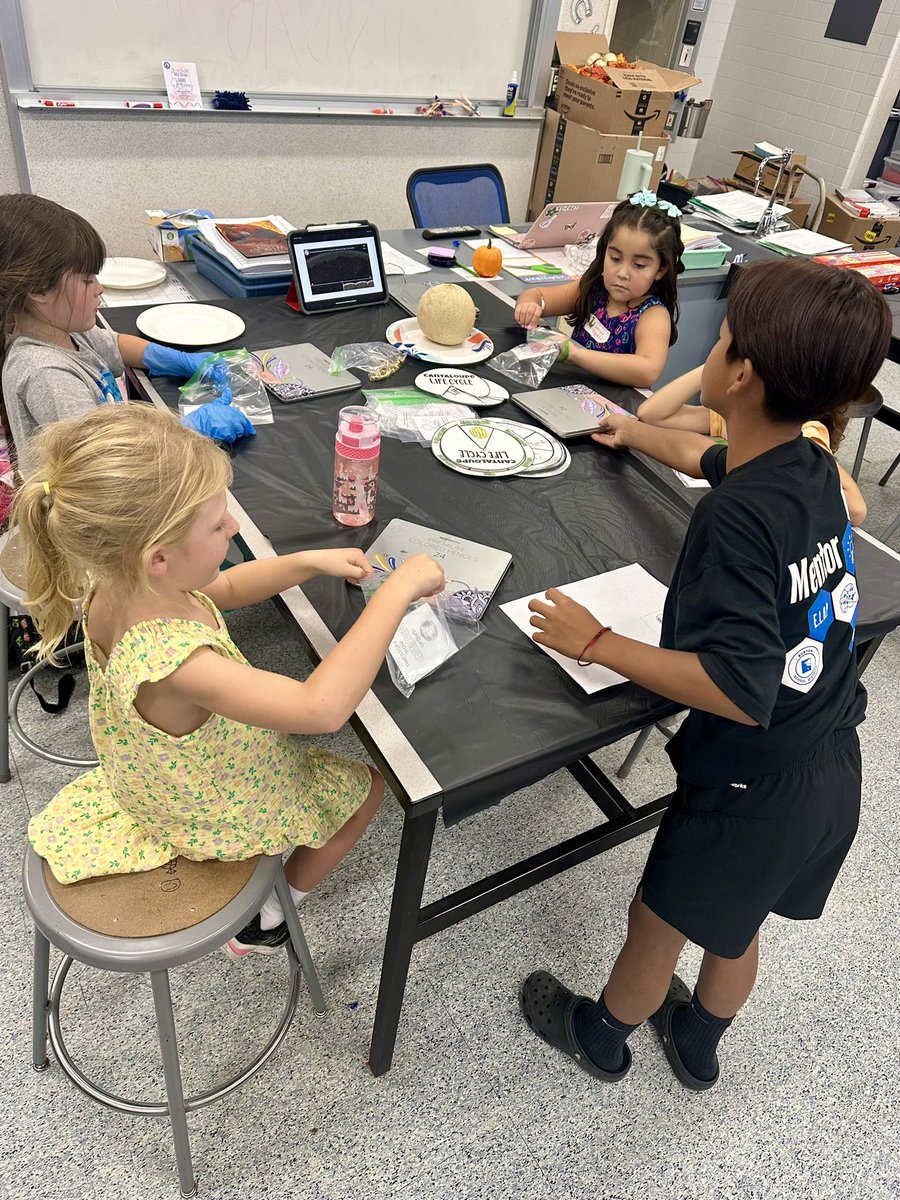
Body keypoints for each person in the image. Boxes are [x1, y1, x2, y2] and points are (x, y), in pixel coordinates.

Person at [519, 258, 891, 1090]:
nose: (711, 345)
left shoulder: (733, 520)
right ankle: (697, 1043)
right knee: (737, 923)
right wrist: (632, 433)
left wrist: (598, 641)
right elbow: (704, 455)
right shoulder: (807, 469)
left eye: (719, 338)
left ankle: (602, 1034)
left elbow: (735, 685)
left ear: (742, 373)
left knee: (655, 925)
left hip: (748, 789)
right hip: (831, 761)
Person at [17, 404, 445, 957]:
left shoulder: (119, 586)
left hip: (152, 783)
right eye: (219, 524)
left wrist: (309, 561)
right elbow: (321, 709)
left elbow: (229, 587)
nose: (235, 526)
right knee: (368, 789)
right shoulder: (175, 659)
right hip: (210, 804)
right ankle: (267, 919)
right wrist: (396, 590)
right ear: (159, 559)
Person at [0, 193, 212, 473]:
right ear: (38, 289)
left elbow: (114, 345)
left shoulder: (63, 329)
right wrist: (188, 430)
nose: (99, 288)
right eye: (87, 280)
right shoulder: (48, 375)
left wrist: (168, 357)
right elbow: (103, 462)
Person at [637, 364, 868, 524]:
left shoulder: (802, 433)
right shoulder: (734, 414)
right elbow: (652, 414)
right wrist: (709, 369)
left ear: (744, 372)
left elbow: (856, 509)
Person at [513, 192, 684, 389]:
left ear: (660, 270)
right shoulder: (594, 289)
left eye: (638, 265)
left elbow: (647, 371)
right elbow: (539, 296)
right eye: (615, 259)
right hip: (569, 392)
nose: (622, 273)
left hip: (614, 409)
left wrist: (577, 355)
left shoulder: (653, 316)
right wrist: (529, 305)